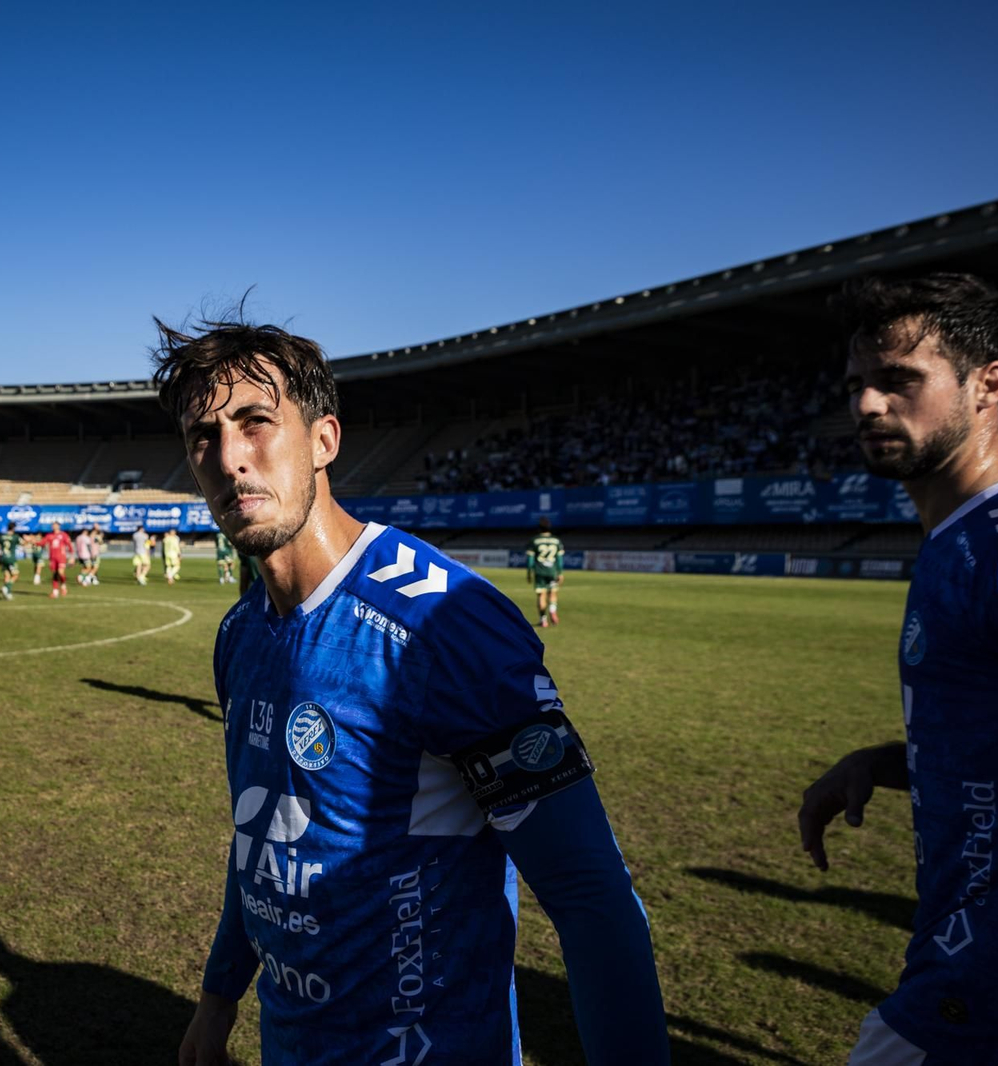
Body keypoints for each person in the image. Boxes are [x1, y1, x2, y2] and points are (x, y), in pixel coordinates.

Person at [155, 316, 668, 1066]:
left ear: (324, 439)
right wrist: (218, 997)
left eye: (255, 422)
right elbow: (262, 842)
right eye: (203, 436)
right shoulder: (240, 635)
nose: (230, 458)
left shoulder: (445, 626)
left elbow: (593, 899)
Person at [797, 274, 998, 1065]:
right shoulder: (962, 538)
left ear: (987, 383)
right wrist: (885, 764)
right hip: (964, 978)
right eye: (858, 384)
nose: (866, 405)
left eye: (899, 381)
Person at [525, 517, 564, 628]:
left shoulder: (535, 540)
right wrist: (560, 572)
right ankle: (552, 609)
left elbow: (530, 560)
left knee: (541, 595)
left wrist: (529, 572)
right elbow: (560, 559)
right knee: (553, 592)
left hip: (540, 571)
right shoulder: (556, 540)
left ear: (539, 528)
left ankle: (543, 620)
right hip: (553, 571)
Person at [42, 521, 73, 599]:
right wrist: (32, 541)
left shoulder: (63, 535)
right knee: (55, 574)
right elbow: (42, 542)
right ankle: (55, 592)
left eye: (55, 525)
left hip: (61, 557)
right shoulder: (49, 535)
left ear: (59, 526)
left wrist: (72, 557)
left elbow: (69, 546)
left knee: (60, 572)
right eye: (53, 525)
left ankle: (63, 585)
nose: (53, 526)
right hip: (52, 558)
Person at [0, 522, 24, 601]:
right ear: (14, 528)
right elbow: (23, 543)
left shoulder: (1, 537)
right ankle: (6, 587)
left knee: (7, 576)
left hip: (3, 558)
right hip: (11, 559)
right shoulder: (15, 536)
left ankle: (8, 594)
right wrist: (29, 540)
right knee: (15, 575)